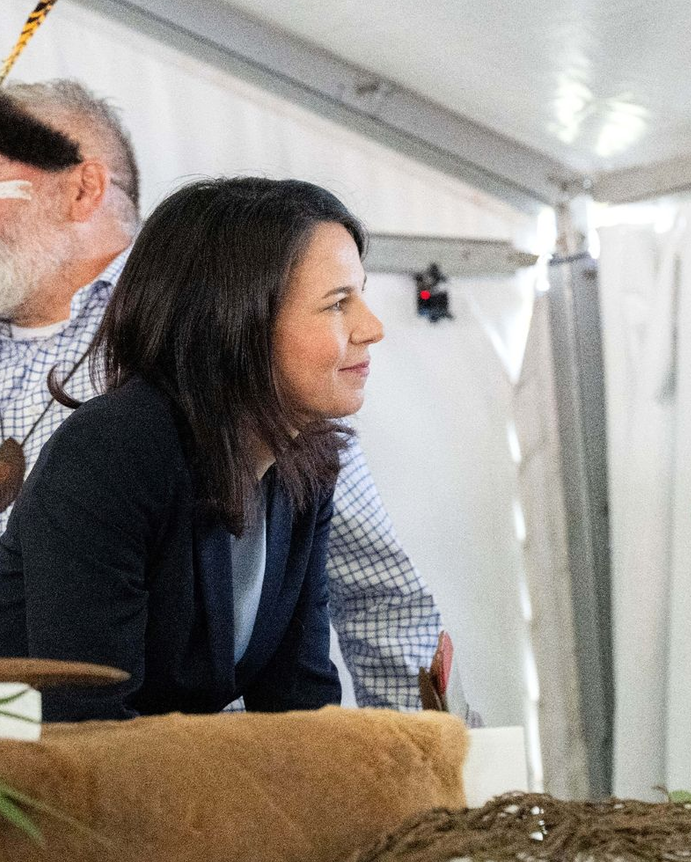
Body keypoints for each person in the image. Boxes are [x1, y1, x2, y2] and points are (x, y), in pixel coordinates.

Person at [0, 81, 443, 712]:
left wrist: (426, 759)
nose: (372, 328)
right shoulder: (115, 444)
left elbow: (304, 694)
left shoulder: (302, 461)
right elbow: (89, 729)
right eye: (338, 303)